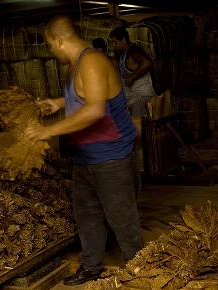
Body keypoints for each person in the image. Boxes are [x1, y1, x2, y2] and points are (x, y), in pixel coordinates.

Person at [24, 15, 143, 286]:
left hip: (111, 155)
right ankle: (91, 266)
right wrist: (58, 103)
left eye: (50, 46)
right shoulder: (76, 64)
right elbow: (84, 97)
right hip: (85, 155)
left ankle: (140, 270)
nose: (51, 51)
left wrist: (48, 131)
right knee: (87, 216)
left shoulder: (91, 62)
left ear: (59, 40)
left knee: (121, 218)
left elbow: (95, 110)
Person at [109, 26, 155, 117]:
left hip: (140, 95)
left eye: (115, 42)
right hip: (132, 94)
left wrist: (132, 77)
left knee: (139, 123)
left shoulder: (133, 50)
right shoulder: (122, 52)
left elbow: (147, 62)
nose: (113, 45)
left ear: (123, 40)